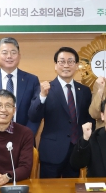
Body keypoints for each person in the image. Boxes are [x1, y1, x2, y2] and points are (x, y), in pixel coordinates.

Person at [28, 46, 93, 178]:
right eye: (62, 61)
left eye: (70, 61)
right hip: (52, 151)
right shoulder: (45, 88)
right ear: (56, 65)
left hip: (76, 151)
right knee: (48, 189)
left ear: (76, 65)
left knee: (74, 189)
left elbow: (88, 119)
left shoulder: (84, 91)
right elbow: (33, 116)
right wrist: (42, 96)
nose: (66, 65)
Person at [0, 37, 41, 135]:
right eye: (4, 52)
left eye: (13, 52)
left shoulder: (32, 80)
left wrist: (27, 135)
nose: (9, 56)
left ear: (19, 56)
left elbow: (35, 114)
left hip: (23, 137)